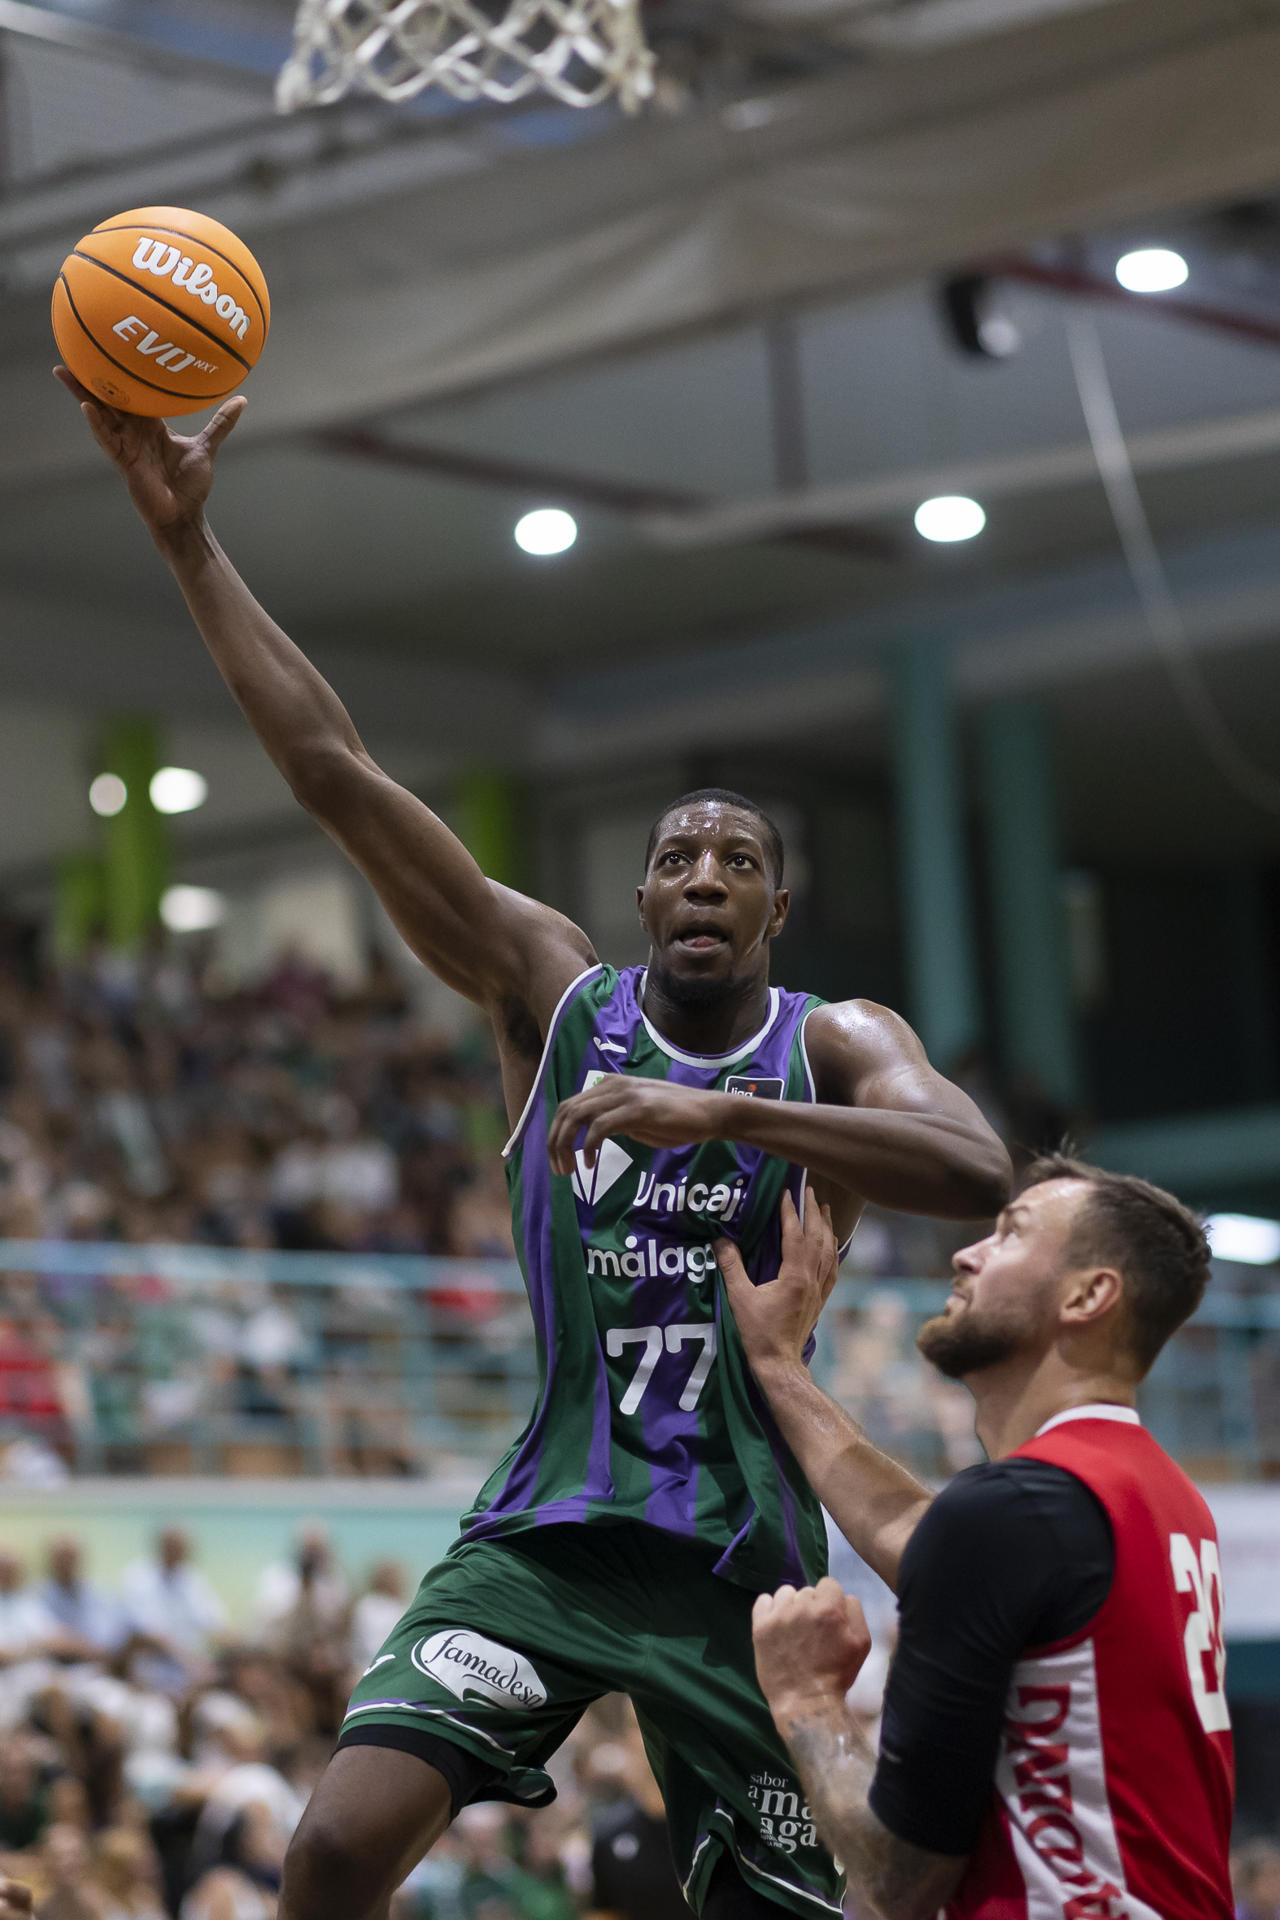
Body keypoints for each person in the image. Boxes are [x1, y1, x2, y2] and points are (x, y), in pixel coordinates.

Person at [56, 369, 1012, 1920]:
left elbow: (978, 1171)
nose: (703, 874)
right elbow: (337, 777)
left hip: (743, 1570)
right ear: (643, 904)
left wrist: (724, 1114)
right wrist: (188, 547)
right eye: (675, 856)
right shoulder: (555, 997)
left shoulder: (834, 1046)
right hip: (550, 1537)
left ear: (779, 908)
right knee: (337, 1844)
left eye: (738, 861)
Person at [725, 1155, 1234, 1920]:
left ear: (1089, 1295)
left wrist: (806, 1696)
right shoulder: (1159, 1496)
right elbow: (930, 1539)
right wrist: (776, 1366)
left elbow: (900, 1881)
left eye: (1010, 1235)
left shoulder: (1013, 1513)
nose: (967, 1252)